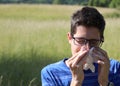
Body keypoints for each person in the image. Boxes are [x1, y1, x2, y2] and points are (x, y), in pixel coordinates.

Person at [41, 6, 120, 86]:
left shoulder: (114, 68)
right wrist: (76, 81)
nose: (87, 48)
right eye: (81, 41)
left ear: (101, 39)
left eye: (93, 42)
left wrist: (104, 82)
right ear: (70, 38)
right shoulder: (52, 73)